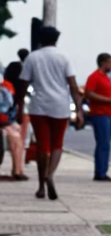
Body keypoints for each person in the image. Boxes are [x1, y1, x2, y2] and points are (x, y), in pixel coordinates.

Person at [16, 26, 84, 200]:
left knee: (42, 146)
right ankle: (50, 175)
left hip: (39, 107)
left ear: (40, 39)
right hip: (60, 106)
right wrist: (79, 110)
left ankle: (40, 186)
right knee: (57, 145)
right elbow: (73, 86)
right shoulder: (64, 58)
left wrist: (19, 106)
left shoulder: (33, 57)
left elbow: (23, 84)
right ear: (56, 39)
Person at [83, 53, 111, 181]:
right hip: (100, 113)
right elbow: (89, 93)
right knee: (103, 143)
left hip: (109, 114)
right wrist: (107, 100)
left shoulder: (107, 78)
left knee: (106, 143)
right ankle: (100, 172)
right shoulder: (94, 77)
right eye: (110, 62)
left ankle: (103, 170)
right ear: (103, 63)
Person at [2, 59, 27, 180]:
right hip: (4, 121)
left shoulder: (13, 88)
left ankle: (18, 169)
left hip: (7, 121)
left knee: (18, 137)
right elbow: (3, 109)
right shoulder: (6, 88)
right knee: (16, 138)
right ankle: (17, 170)